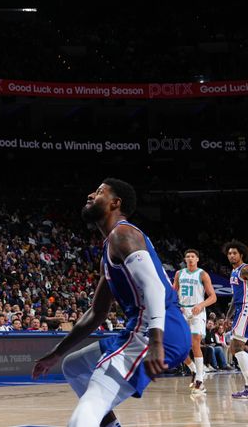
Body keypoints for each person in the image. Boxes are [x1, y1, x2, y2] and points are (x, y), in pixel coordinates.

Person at [32, 178, 191, 427]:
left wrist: (156, 342)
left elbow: (155, 288)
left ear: (115, 203)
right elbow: (96, 313)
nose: (90, 195)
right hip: (150, 329)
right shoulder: (110, 247)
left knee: (88, 409)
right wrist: (57, 352)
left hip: (155, 330)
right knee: (74, 366)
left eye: (99, 192)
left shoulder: (123, 234)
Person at [173, 248, 217, 394]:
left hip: (197, 311)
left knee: (195, 343)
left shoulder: (202, 274)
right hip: (183, 311)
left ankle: (200, 380)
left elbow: (213, 297)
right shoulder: (179, 274)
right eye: (188, 256)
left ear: (197, 259)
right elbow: (174, 293)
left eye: (193, 256)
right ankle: (193, 369)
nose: (190, 258)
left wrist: (201, 305)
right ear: (185, 260)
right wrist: (176, 306)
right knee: (179, 348)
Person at [223, 239, 248, 399]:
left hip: (245, 307)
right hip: (239, 308)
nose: (231, 255)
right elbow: (234, 297)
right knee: (236, 347)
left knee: (236, 346)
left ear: (241, 255)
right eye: (229, 253)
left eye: (234, 253)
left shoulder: (244, 269)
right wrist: (227, 316)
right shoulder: (233, 272)